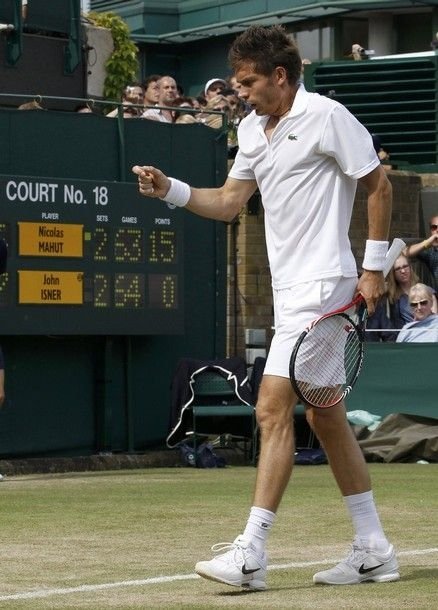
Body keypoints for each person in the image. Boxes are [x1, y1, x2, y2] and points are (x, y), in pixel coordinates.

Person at [132, 24, 398, 589]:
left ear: (280, 75)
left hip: (325, 284)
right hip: (292, 289)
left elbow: (380, 186)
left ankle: (250, 554)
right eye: (238, 82)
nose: (242, 92)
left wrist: (373, 267)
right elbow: (229, 203)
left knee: (271, 409)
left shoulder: (328, 115)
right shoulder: (252, 129)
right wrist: (170, 190)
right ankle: (374, 547)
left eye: (250, 82)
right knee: (324, 416)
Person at [387, 254, 437, 328]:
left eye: (405, 266)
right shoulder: (392, 296)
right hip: (407, 335)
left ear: (410, 267)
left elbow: (435, 319)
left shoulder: (427, 291)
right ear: (393, 273)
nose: (403, 271)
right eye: (398, 269)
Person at [404, 214, 438, 289]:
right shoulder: (431, 252)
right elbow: (404, 253)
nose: (437, 230)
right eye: (434, 227)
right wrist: (427, 243)